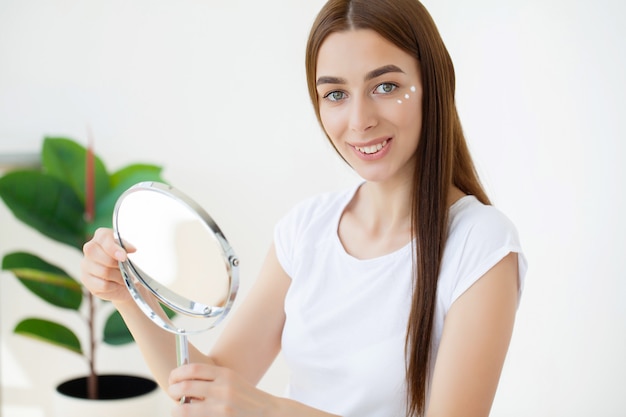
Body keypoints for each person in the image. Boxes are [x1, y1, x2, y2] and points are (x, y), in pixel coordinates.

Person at [81, 0, 527, 416]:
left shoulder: (480, 244)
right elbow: (206, 391)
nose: (359, 120)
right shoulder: (307, 229)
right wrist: (125, 297)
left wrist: (269, 409)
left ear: (435, 83)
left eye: (386, 86)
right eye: (335, 94)